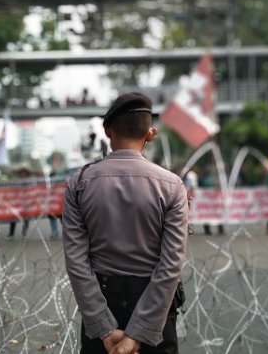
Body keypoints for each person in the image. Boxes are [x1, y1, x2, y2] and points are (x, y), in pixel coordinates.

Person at [62, 92, 189, 354]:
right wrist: (139, 332)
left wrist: (105, 328)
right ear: (150, 134)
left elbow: (76, 261)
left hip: (101, 302)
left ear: (108, 131)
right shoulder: (172, 186)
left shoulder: (80, 183)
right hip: (156, 310)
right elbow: (171, 265)